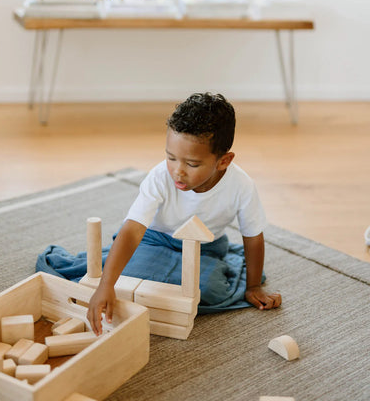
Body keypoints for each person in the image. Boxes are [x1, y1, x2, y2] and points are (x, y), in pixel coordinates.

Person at [87, 92, 281, 334]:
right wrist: (107, 284)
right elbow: (133, 228)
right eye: (170, 157)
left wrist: (252, 287)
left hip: (205, 246)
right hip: (154, 240)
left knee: (210, 290)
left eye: (192, 164)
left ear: (223, 161)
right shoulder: (159, 176)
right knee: (124, 277)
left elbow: (253, 237)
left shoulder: (242, 185)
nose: (178, 171)